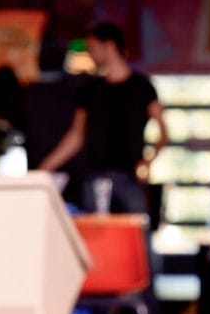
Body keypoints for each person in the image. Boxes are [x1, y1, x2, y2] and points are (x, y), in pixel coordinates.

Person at [37, 20, 168, 214]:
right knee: (97, 234)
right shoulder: (90, 90)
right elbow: (76, 135)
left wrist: (148, 161)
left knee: (137, 235)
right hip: (95, 177)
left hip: (130, 178)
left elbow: (164, 131)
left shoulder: (142, 86)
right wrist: (45, 168)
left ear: (109, 45)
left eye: (92, 47)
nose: (90, 53)